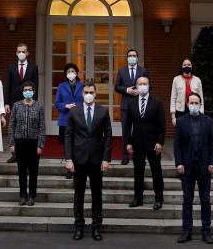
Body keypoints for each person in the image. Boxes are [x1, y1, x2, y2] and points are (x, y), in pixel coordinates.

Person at [65, 80, 112, 241]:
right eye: (86, 92)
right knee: (78, 195)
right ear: (82, 94)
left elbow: (109, 136)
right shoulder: (74, 112)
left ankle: (96, 227)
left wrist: (106, 159)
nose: (88, 95)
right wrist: (69, 159)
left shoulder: (103, 112)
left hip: (97, 160)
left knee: (96, 195)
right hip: (78, 159)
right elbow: (69, 136)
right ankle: (79, 227)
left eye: (91, 92)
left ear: (96, 93)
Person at [174, 92, 213, 245]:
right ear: (187, 104)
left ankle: (206, 231)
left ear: (200, 103)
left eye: (196, 102)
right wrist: (179, 163)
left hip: (204, 167)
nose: (193, 105)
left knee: (205, 200)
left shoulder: (208, 121)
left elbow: (212, 144)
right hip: (187, 167)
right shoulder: (181, 121)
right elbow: (177, 144)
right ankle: (187, 231)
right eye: (191, 103)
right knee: (187, 200)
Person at [124, 75, 165, 210]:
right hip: (137, 143)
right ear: (136, 86)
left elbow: (162, 125)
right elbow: (127, 124)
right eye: (140, 83)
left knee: (156, 171)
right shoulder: (131, 103)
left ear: (148, 85)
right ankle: (138, 198)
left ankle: (158, 199)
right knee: (138, 172)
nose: (142, 86)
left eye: (144, 83)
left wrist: (160, 142)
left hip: (153, 143)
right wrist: (128, 142)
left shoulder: (157, 102)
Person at [8, 80, 46, 205]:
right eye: (25, 90)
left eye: (30, 90)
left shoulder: (39, 106)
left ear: (33, 92)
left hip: (33, 142)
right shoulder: (16, 106)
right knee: (22, 171)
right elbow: (11, 125)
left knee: (33, 171)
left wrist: (40, 145)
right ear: (22, 92)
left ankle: (32, 196)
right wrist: (12, 143)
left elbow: (42, 127)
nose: (27, 92)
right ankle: (23, 195)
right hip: (20, 142)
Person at [4, 43, 39, 162]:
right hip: (14, 101)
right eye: (19, 51)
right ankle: (14, 153)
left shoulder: (33, 67)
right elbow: (7, 86)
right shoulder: (11, 67)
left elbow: (36, 86)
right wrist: (6, 103)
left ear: (27, 53)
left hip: (29, 100)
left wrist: (35, 102)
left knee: (27, 125)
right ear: (16, 53)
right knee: (14, 126)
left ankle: (27, 151)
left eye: (23, 51)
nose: (21, 54)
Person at [114, 48, 148, 165]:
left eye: (134, 55)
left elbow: (149, 86)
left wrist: (141, 90)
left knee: (139, 131)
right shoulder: (122, 71)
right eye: (130, 55)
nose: (132, 57)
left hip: (140, 105)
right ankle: (125, 155)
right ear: (127, 57)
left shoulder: (143, 71)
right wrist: (127, 90)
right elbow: (117, 87)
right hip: (126, 106)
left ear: (137, 58)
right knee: (126, 131)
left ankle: (138, 155)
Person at [54, 62, 83, 180]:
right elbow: (57, 103)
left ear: (76, 73)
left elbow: (87, 100)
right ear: (66, 74)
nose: (71, 74)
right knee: (67, 145)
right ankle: (69, 168)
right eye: (68, 72)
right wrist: (65, 106)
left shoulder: (82, 85)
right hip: (65, 119)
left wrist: (77, 106)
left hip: (79, 119)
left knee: (77, 144)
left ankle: (77, 168)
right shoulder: (61, 86)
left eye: (73, 72)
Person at [170, 58, 204, 127]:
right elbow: (173, 98)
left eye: (189, 65)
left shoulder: (197, 80)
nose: (187, 66)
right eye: (184, 65)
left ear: (192, 66)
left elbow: (201, 98)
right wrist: (173, 116)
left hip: (194, 110)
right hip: (180, 111)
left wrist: (201, 113)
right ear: (181, 67)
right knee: (181, 132)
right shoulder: (176, 79)